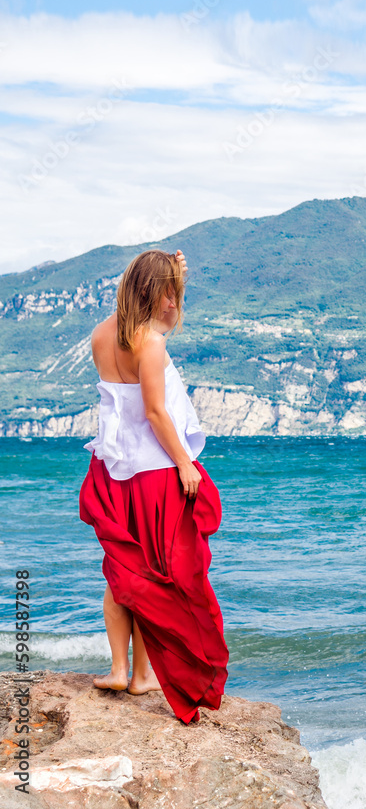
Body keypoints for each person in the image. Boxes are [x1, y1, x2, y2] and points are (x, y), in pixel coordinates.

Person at [78, 248, 229, 724]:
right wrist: (185, 463)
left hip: (111, 470)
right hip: (154, 473)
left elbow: (142, 325)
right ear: (159, 293)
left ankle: (128, 671)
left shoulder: (103, 335)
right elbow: (156, 413)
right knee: (160, 574)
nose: (175, 302)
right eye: (173, 292)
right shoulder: (151, 344)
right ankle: (144, 673)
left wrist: (172, 273)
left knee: (125, 570)